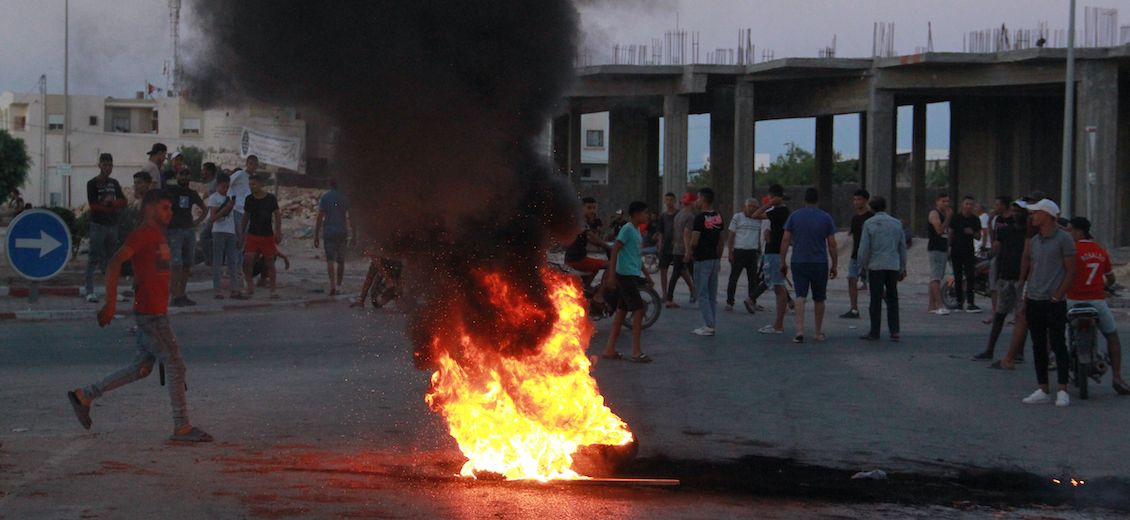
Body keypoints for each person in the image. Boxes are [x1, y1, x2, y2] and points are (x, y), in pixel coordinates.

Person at [66, 189, 213, 442]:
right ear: (149, 209)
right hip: (151, 316)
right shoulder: (143, 235)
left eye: (171, 208)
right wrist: (110, 304)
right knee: (176, 365)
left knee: (141, 369)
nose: (170, 212)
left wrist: (140, 280)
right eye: (165, 208)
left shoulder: (158, 235)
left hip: (154, 312)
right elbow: (114, 262)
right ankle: (182, 426)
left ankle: (84, 395)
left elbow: (148, 269)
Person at [1018, 199, 1075, 407]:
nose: (1033, 217)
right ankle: (1043, 387)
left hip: (1054, 300)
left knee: (1058, 343)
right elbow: (1033, 269)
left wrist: (1057, 296)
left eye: (1036, 213)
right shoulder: (1034, 241)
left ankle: (1062, 388)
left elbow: (1071, 271)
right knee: (1038, 345)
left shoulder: (1064, 239)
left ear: (1047, 215)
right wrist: (1025, 297)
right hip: (1034, 298)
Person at [1065, 217, 1130, 395]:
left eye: (1070, 230)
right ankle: (1117, 377)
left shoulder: (1070, 250)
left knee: (1057, 331)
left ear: (1079, 231)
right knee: (1112, 335)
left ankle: (1059, 372)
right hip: (1096, 302)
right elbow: (1110, 277)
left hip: (1072, 301)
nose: (1068, 233)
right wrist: (1106, 286)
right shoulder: (1100, 250)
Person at [778, 187, 837, 343]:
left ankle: (799, 330)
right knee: (819, 298)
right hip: (819, 262)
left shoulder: (794, 216)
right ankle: (817, 332)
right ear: (818, 200)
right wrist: (835, 265)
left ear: (805, 200)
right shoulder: (826, 217)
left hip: (799, 261)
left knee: (800, 296)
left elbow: (785, 240)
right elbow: (832, 244)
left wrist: (782, 261)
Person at [600, 201, 656, 363]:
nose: (647, 216)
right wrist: (611, 275)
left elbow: (637, 257)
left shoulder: (637, 231)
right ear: (636, 214)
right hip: (623, 275)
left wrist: (648, 276)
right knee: (638, 310)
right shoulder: (627, 229)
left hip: (631, 275)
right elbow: (615, 249)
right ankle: (636, 352)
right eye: (645, 213)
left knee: (621, 312)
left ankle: (609, 349)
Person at [974, 200, 1026, 361]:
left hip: (1021, 279)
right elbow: (997, 244)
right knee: (1000, 314)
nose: (1016, 214)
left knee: (1021, 317)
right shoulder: (1007, 230)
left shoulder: (1029, 233)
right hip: (1006, 275)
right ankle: (990, 349)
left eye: (1019, 211)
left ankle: (1018, 351)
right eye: (1014, 211)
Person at [856, 197, 906, 341]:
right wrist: (903, 267)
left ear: (871, 208)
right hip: (892, 264)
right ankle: (894, 330)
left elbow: (864, 248)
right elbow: (902, 247)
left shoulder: (869, 223)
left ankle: (875, 331)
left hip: (876, 265)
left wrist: (862, 266)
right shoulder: (896, 223)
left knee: (876, 299)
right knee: (892, 298)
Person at [84, 153, 128, 303]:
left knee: (112, 260)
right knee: (93, 258)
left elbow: (123, 201)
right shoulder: (92, 184)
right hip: (98, 225)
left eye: (110, 165)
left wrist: (112, 204)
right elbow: (93, 205)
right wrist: (108, 206)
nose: (108, 168)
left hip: (112, 225)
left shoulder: (114, 183)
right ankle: (89, 290)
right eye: (105, 165)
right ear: (99, 165)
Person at [165, 167, 206, 307]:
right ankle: (174, 296)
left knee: (187, 263)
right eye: (181, 174)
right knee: (176, 264)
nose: (184, 177)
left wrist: (196, 222)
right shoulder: (171, 191)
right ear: (177, 176)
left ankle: (181, 294)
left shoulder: (192, 193)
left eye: (187, 174)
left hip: (188, 230)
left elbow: (204, 209)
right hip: (174, 231)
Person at [686, 188, 724, 336]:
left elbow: (694, 241)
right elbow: (721, 241)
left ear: (703, 199)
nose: (696, 201)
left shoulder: (700, 218)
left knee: (702, 293)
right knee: (712, 293)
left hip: (702, 259)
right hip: (714, 258)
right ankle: (711, 322)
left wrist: (689, 248)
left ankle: (708, 325)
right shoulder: (718, 216)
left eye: (698, 198)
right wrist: (719, 258)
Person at [756, 184, 791, 335]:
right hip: (773, 251)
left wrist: (769, 204)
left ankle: (779, 324)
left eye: (770, 197)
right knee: (777, 287)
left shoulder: (780, 211)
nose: (768, 199)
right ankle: (778, 323)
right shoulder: (780, 212)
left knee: (779, 286)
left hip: (775, 252)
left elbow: (755, 214)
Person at [241, 175, 282, 298]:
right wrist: (241, 232)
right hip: (253, 234)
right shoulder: (249, 199)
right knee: (248, 261)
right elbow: (246, 216)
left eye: (253, 184)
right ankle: (249, 286)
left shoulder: (270, 198)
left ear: (260, 184)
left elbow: (277, 215)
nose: (251, 186)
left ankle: (273, 289)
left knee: (269, 262)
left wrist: (278, 231)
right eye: (250, 184)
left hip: (267, 235)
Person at [206, 174, 244, 300]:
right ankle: (217, 290)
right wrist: (226, 208)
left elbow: (233, 219)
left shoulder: (229, 198)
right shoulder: (213, 198)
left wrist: (239, 235)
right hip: (218, 231)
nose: (225, 189)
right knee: (217, 262)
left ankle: (235, 290)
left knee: (232, 262)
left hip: (231, 232)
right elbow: (213, 218)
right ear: (218, 186)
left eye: (227, 187)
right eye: (223, 187)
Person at [314, 180, 354, 296]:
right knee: (341, 261)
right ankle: (339, 286)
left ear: (330, 185)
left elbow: (320, 217)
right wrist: (355, 235)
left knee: (330, 260)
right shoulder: (345, 198)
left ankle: (332, 285)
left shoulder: (325, 197)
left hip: (329, 232)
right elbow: (351, 217)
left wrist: (316, 235)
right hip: (342, 232)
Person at [841, 189, 874, 319]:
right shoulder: (855, 217)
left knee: (875, 282)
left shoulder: (871, 216)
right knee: (851, 279)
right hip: (856, 254)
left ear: (865, 200)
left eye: (859, 199)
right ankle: (854, 309)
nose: (856, 202)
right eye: (854, 199)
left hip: (870, 255)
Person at [726, 197, 762, 313]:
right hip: (739, 251)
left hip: (752, 252)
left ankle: (752, 301)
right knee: (734, 278)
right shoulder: (737, 217)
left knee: (753, 279)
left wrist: (759, 250)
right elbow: (731, 235)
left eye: (755, 207)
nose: (752, 209)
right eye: (750, 206)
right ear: (744, 207)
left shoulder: (758, 219)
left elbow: (759, 235)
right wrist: (730, 252)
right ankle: (729, 302)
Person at [564, 197, 610, 288]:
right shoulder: (580, 221)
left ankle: (585, 288)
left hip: (574, 258)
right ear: (581, 208)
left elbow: (590, 239)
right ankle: (599, 295)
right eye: (589, 208)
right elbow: (591, 236)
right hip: (578, 260)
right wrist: (608, 247)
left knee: (595, 268)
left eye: (594, 208)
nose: (592, 211)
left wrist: (602, 246)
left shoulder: (581, 221)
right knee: (611, 265)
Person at [949, 196, 983, 312]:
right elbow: (951, 233)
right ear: (962, 205)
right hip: (956, 251)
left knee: (970, 277)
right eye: (966, 204)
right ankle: (959, 302)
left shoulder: (975, 219)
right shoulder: (956, 218)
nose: (969, 206)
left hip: (969, 251)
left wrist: (972, 232)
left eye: (971, 204)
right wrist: (948, 248)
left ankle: (971, 302)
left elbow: (979, 237)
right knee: (957, 277)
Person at [665, 191, 698, 307]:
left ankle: (669, 298)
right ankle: (699, 295)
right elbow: (686, 234)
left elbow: (675, 233)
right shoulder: (690, 217)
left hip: (677, 248)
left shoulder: (678, 215)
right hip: (685, 249)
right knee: (695, 274)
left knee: (675, 274)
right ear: (692, 203)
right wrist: (688, 251)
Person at [926, 193, 953, 315]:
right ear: (937, 202)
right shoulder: (934, 214)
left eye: (947, 201)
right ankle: (939, 304)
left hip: (942, 248)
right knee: (935, 277)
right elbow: (939, 230)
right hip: (935, 247)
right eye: (943, 201)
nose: (946, 204)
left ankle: (932, 305)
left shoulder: (943, 214)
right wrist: (948, 218)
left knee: (937, 276)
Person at [657, 192, 678, 301]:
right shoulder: (663, 216)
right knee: (663, 270)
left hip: (677, 246)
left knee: (681, 270)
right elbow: (661, 231)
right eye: (667, 200)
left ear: (675, 201)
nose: (669, 202)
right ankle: (665, 294)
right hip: (665, 246)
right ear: (665, 201)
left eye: (671, 200)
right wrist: (660, 244)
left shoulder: (678, 214)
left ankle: (692, 289)